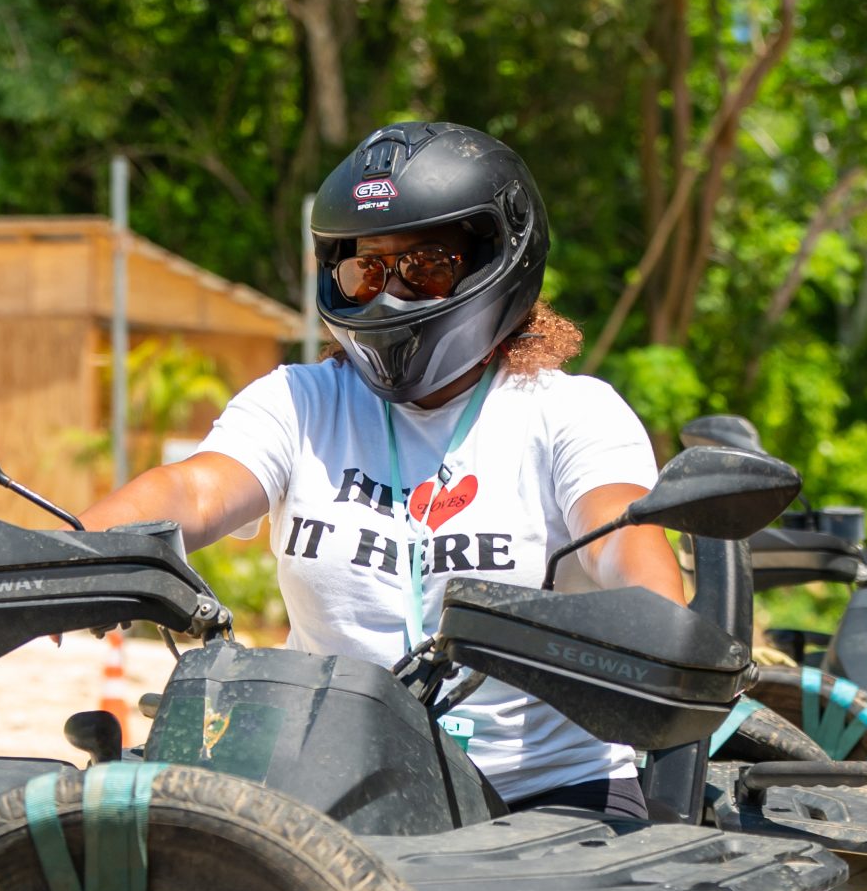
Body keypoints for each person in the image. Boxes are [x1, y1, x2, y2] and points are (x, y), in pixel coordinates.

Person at [84, 120, 683, 818]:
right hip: (327, 787)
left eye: (426, 267)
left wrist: (655, 615)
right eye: (365, 270)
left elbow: (619, 533)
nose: (389, 296)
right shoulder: (302, 402)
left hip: (544, 796)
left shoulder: (568, 413)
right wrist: (78, 547)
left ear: (498, 257)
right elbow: (195, 486)